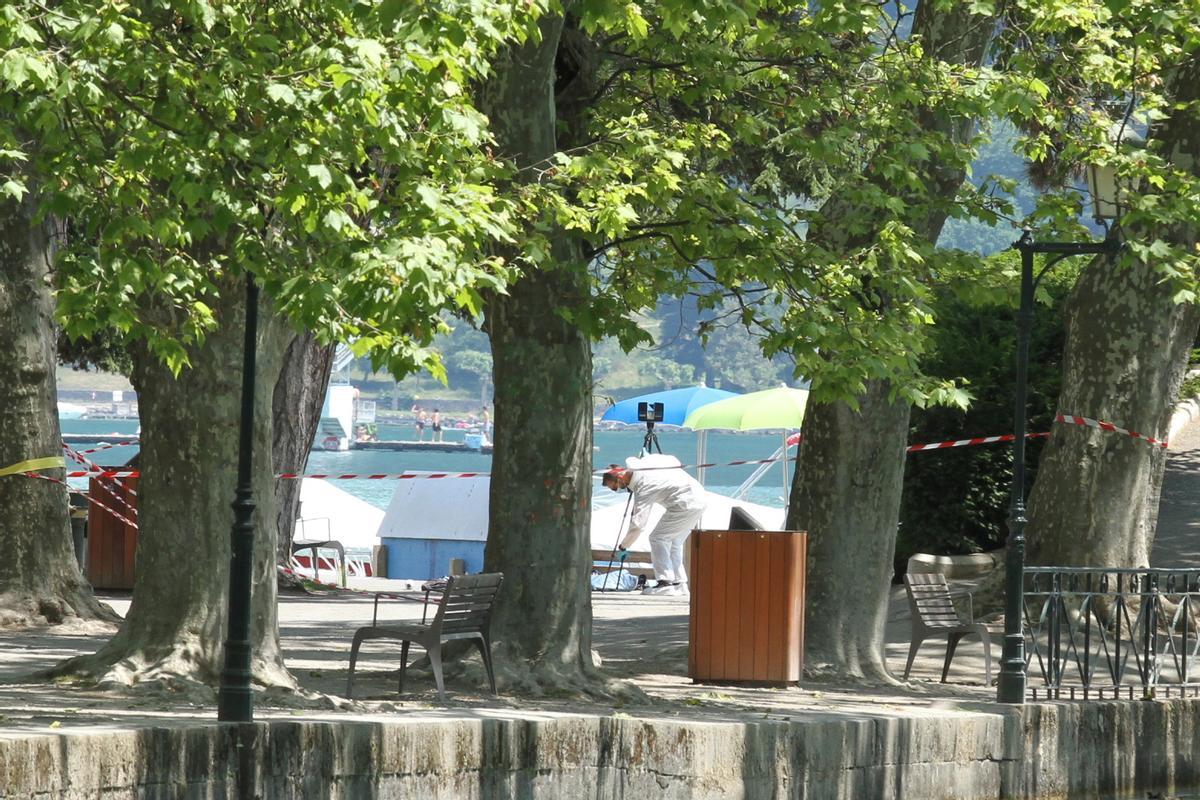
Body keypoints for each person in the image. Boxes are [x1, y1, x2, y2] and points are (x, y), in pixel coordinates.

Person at [602, 453, 706, 596]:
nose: (619, 490)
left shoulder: (643, 486)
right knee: (674, 542)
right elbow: (673, 459)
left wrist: (623, 546)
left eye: (615, 488)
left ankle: (665, 583)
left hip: (684, 504)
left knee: (658, 538)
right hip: (700, 499)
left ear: (620, 477)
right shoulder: (647, 466)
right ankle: (679, 583)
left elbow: (638, 524)